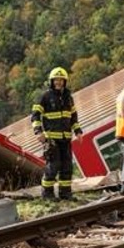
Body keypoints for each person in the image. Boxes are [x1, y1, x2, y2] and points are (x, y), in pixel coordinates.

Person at [31, 66, 83, 200]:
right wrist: (38, 132)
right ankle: (47, 194)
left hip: (66, 138)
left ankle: (65, 193)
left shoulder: (68, 97)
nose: (58, 82)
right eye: (56, 80)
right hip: (51, 139)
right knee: (53, 166)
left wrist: (78, 131)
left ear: (65, 82)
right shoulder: (45, 96)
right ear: (51, 81)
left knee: (67, 166)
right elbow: (35, 116)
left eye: (61, 80)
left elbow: (73, 116)